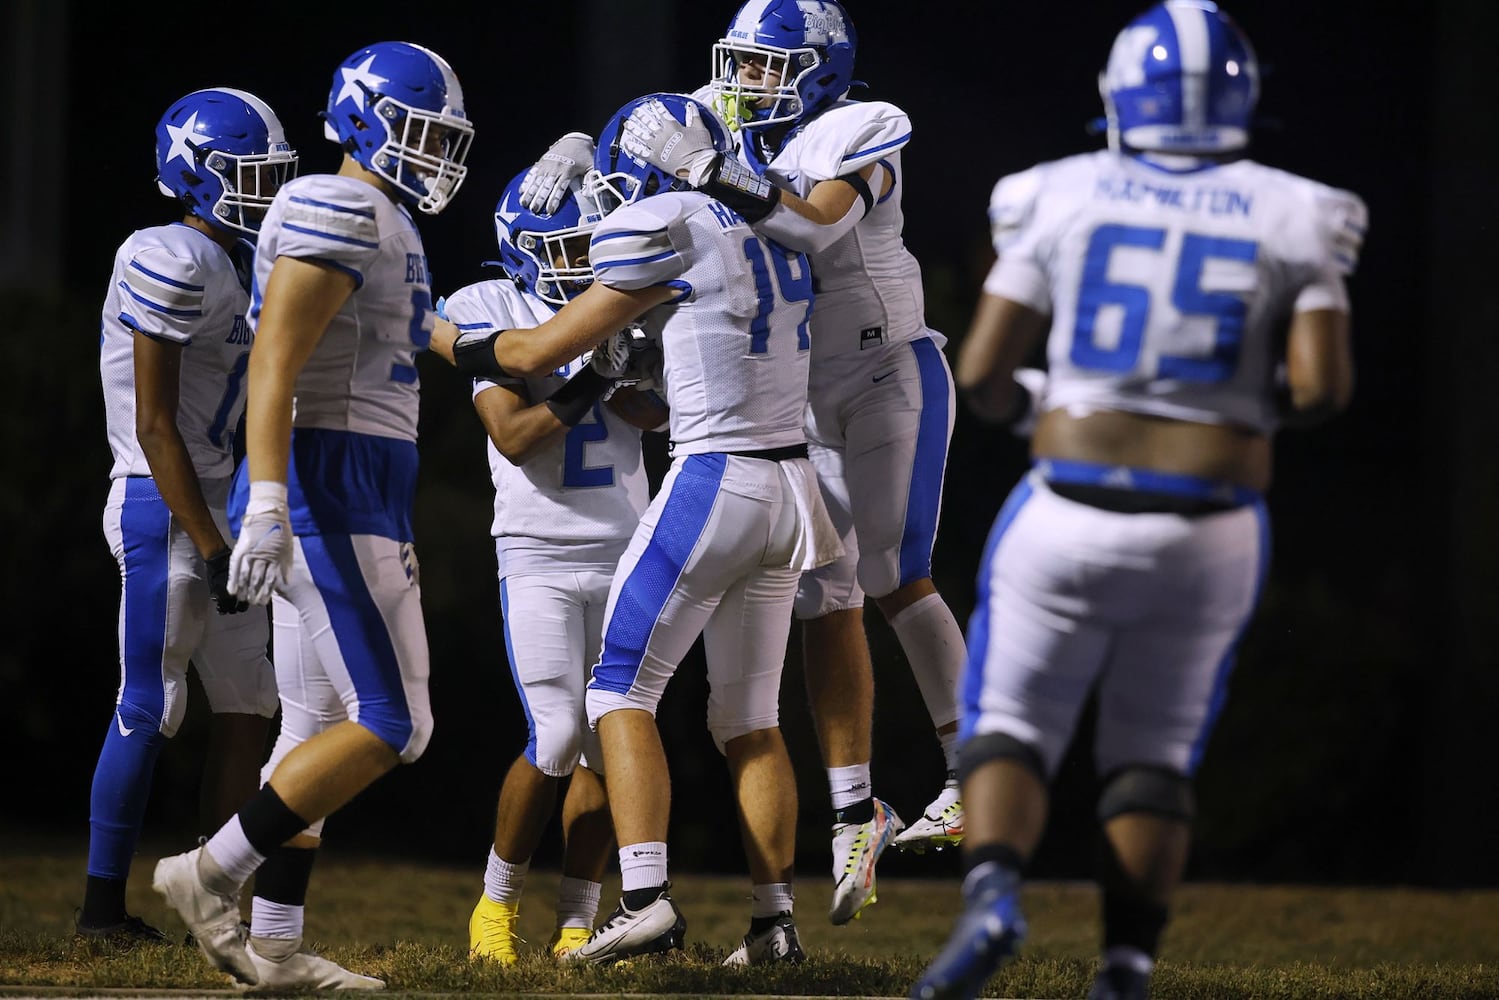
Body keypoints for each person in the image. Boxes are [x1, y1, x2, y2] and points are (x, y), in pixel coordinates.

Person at [911, 3, 1365, 999]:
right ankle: (1122, 966)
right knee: (1152, 751)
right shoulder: (1298, 208)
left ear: (1121, 99)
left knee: (1010, 725)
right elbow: (1322, 388)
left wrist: (1041, 400)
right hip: (1207, 525)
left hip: (1065, 507)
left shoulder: (1056, 194)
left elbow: (985, 373)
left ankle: (991, 894)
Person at [521, 0, 970, 926]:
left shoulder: (859, 132)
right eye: (742, 65)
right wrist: (576, 141)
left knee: (891, 569)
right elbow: (645, 132)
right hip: (798, 396)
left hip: (887, 371)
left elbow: (808, 228)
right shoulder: (727, 120)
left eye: (769, 69)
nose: (745, 84)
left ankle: (978, 766)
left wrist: (712, 169)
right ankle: (857, 809)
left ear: (821, 73)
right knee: (827, 590)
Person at [431, 92, 840, 966]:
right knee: (749, 718)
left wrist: (429, 332)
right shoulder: (775, 222)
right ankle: (774, 926)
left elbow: (533, 355)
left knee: (615, 692)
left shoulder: (659, 224)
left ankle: (643, 897)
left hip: (714, 480)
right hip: (791, 487)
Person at [150, 40, 475, 990]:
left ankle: (278, 945)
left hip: (360, 482)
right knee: (392, 723)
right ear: (368, 119)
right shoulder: (337, 204)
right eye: (418, 129)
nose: (433, 151)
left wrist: (514, 347)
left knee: (313, 721)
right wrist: (267, 503)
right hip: (334, 485)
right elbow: (273, 365)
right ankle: (207, 871)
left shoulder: (382, 217)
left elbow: (425, 336)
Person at [83, 87, 294, 943]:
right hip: (161, 502)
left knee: (252, 701)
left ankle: (214, 894)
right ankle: (101, 910)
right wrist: (211, 543)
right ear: (193, 174)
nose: (263, 191)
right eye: (247, 174)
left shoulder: (245, 261)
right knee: (150, 703)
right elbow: (154, 421)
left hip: (220, 501)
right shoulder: (167, 252)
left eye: (271, 174)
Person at [441, 169, 666, 964]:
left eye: (591, 246)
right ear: (522, 252)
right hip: (536, 551)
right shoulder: (489, 309)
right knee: (555, 732)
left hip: (625, 546)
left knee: (612, 738)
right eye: (568, 247)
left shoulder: (620, 300)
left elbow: (658, 415)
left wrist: (639, 369)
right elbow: (513, 435)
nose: (583, 264)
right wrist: (597, 370)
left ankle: (578, 919)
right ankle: (494, 908)